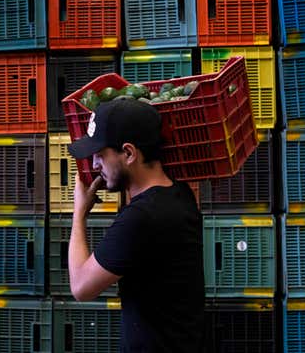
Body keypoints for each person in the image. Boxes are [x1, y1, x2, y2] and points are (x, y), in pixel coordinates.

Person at [67, 97, 204, 352]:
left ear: (129, 153)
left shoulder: (141, 219)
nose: (95, 165)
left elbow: (81, 287)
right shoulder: (180, 194)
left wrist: (79, 214)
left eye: (100, 155)